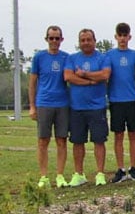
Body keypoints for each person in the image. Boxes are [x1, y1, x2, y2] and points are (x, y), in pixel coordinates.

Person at [63, 29, 111, 187]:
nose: (85, 43)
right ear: (79, 42)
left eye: (88, 39)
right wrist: (91, 80)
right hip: (77, 107)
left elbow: (104, 75)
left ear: (94, 41)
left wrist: (83, 74)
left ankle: (100, 174)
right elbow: (69, 77)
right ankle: (79, 174)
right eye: (82, 40)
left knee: (99, 141)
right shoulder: (72, 58)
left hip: (97, 107)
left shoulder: (102, 57)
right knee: (78, 141)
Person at [29, 25, 70, 188]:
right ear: (46, 39)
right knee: (43, 141)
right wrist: (32, 106)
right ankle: (44, 176)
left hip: (62, 104)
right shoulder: (39, 57)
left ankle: (60, 175)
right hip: (44, 103)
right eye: (51, 38)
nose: (54, 41)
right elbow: (32, 83)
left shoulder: (66, 58)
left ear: (62, 39)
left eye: (57, 38)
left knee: (61, 140)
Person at [105, 23, 135, 183]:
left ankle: (133, 168)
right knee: (118, 135)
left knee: (133, 134)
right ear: (116, 37)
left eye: (125, 35)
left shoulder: (134, 55)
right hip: (116, 100)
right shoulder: (109, 55)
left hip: (132, 99)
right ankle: (121, 169)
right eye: (119, 35)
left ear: (129, 37)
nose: (122, 39)